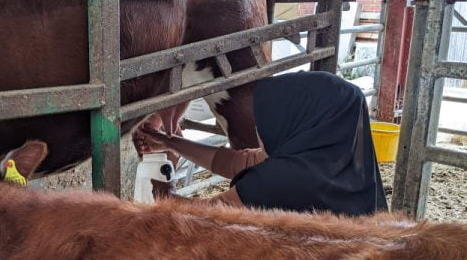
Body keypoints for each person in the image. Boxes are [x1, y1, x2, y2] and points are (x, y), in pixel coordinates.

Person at [135, 71, 388, 216]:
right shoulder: (342, 161)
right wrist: (172, 142)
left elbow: (206, 214)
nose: (258, 128)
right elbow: (235, 161)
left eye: (268, 119)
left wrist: (162, 188)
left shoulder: (283, 180)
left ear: (295, 121)